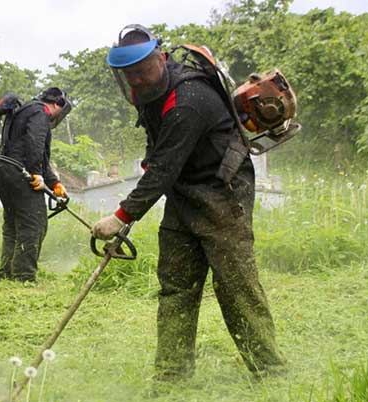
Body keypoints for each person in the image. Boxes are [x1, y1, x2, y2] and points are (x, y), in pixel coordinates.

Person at [92, 25, 285, 381]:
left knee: (236, 287)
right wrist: (149, 169)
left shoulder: (189, 100)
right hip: (183, 193)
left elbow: (164, 168)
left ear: (160, 57)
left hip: (223, 191)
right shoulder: (150, 94)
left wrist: (121, 216)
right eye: (129, 74)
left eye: (142, 70)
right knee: (176, 286)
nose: (137, 80)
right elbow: (159, 152)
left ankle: (270, 372)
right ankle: (172, 376)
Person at [0, 87, 72, 283]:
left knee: (12, 224)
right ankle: (24, 276)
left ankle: (7, 272)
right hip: (22, 174)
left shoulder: (24, 111)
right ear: (57, 105)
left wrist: (54, 183)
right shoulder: (40, 113)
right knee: (34, 224)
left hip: (5, 172)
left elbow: (38, 154)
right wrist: (36, 173)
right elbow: (34, 143)